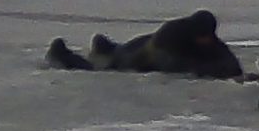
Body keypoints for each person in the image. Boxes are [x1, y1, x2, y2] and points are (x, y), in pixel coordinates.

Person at [46, 9, 243, 78]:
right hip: (142, 55)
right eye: (204, 37)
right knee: (105, 68)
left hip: (145, 43)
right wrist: (208, 69)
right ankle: (63, 55)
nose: (207, 41)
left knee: (118, 50)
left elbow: (230, 62)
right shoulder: (172, 34)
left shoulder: (206, 38)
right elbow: (171, 66)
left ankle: (105, 46)